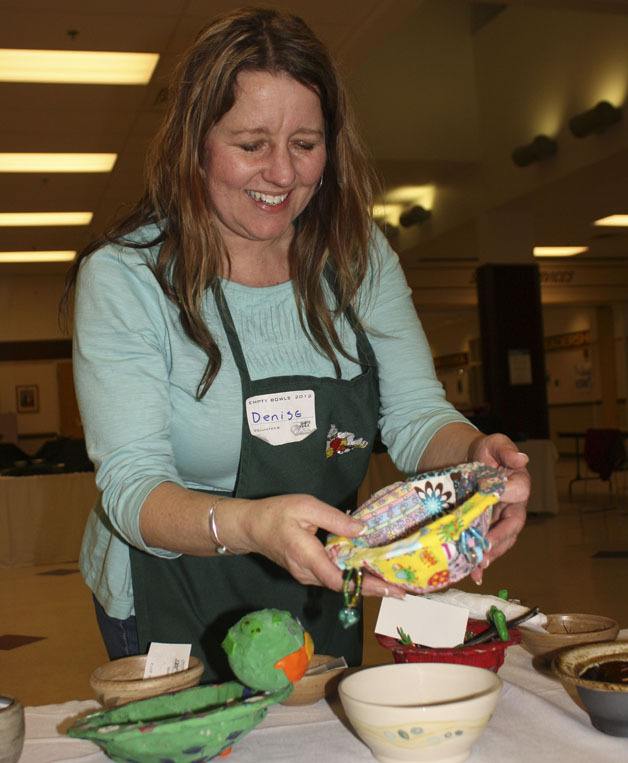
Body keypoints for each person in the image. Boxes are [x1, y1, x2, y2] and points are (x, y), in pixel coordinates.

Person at [64, 7, 529, 680]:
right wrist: (252, 525)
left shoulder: (358, 256)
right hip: (170, 588)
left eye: (305, 144)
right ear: (194, 142)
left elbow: (415, 415)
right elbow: (133, 489)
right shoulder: (128, 278)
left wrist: (478, 458)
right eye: (251, 144)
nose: (282, 174)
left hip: (318, 578)